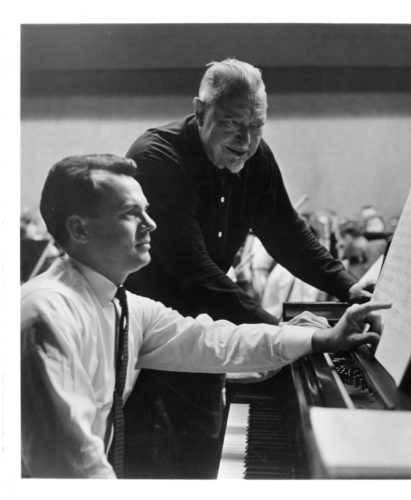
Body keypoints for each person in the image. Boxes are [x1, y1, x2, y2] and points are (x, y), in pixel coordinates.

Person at [20, 153, 389, 478]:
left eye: (147, 210)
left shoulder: (124, 304)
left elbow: (212, 340)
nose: (152, 225)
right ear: (79, 229)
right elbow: (71, 468)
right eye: (131, 214)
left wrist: (319, 339)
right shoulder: (47, 316)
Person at [125, 58, 373, 478]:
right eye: (232, 123)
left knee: (201, 462)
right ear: (200, 111)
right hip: (151, 344)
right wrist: (284, 335)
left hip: (209, 334)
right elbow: (194, 271)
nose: (247, 140)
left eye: (258, 125)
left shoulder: (255, 157)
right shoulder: (158, 158)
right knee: (154, 469)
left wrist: (351, 289)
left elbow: (287, 233)